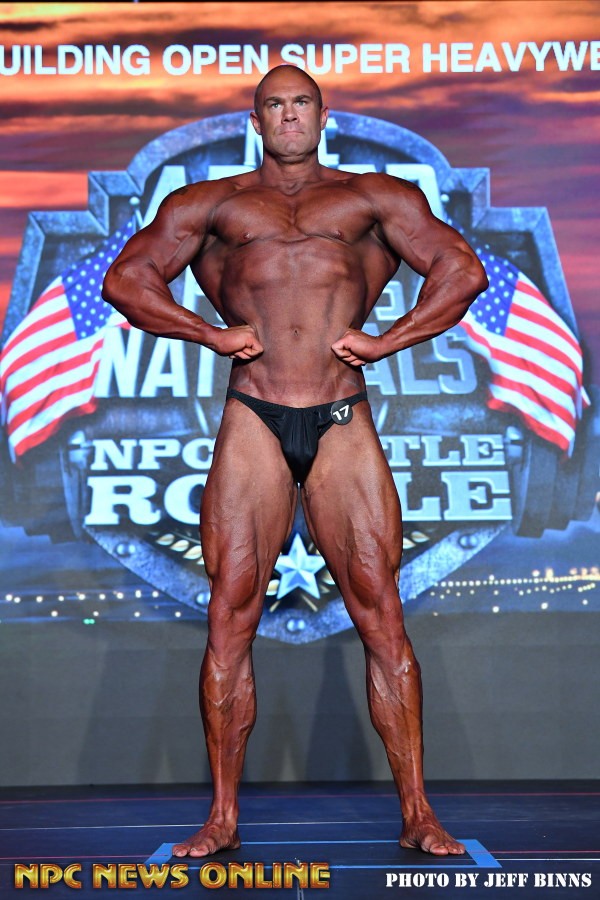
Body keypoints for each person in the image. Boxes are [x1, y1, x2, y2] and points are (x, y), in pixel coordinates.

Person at [102, 65, 488, 858]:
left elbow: (463, 270)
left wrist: (389, 341)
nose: (288, 115)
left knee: (381, 613)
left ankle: (419, 814)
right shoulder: (211, 205)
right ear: (256, 120)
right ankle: (221, 818)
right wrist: (207, 333)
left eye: (301, 103)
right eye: (274, 105)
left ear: (322, 114)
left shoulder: (372, 197)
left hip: (342, 413)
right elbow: (126, 279)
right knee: (230, 613)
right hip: (254, 412)